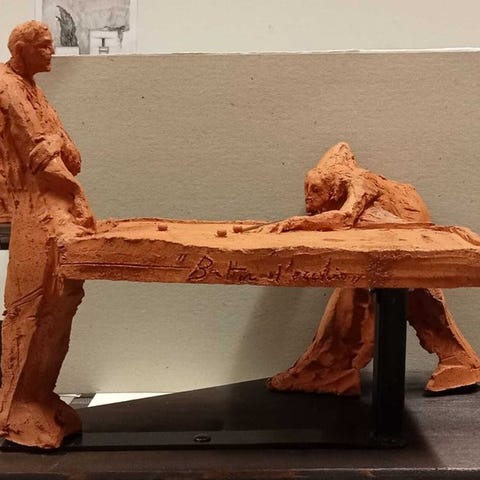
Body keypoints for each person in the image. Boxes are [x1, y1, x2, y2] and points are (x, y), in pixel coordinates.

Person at [262, 142, 480, 396]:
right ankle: (460, 362)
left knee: (392, 287)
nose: (308, 196)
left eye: (315, 189)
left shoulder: (360, 182)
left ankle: (331, 371)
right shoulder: (344, 188)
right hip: (395, 232)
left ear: (334, 186)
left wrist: (298, 223)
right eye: (306, 188)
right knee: (377, 290)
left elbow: (345, 219)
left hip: (407, 226)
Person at [0, 21, 95, 448]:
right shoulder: (8, 89)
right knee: (32, 309)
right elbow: (43, 161)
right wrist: (76, 194)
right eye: (44, 46)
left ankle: (39, 395)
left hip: (56, 213)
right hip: (35, 213)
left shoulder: (35, 90)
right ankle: (15, 408)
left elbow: (72, 156)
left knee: (62, 301)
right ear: (21, 49)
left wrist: (56, 144)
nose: (51, 53)